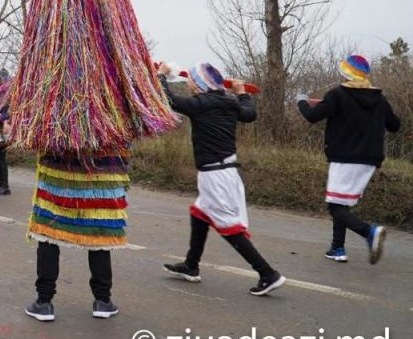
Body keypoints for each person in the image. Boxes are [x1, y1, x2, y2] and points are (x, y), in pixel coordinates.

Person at [8, 0, 178, 323]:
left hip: (62, 151)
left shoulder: (55, 29)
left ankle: (45, 300)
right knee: (97, 228)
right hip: (106, 152)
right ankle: (102, 299)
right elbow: (136, 79)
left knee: (50, 228)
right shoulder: (112, 26)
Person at [158, 62, 286, 296]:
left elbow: (167, 99)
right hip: (224, 172)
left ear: (199, 85)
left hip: (216, 176)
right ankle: (191, 265)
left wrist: (161, 75)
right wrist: (242, 93)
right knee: (200, 214)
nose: (189, 86)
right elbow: (250, 114)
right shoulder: (230, 103)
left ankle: (268, 273)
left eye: (192, 82)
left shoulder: (200, 104)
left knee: (229, 227)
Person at [296, 54, 401, 264]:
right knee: (342, 204)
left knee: (335, 206)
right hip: (370, 160)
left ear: (345, 72)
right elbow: (394, 125)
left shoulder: (338, 94)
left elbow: (312, 116)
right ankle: (337, 248)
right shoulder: (379, 98)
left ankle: (370, 233)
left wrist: (301, 102)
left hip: (345, 158)